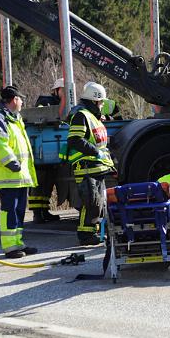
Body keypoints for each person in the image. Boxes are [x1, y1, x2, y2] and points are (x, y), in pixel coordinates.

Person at [0, 85, 38, 259]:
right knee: (10, 211)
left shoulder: (14, 118)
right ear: (14, 100)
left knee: (19, 211)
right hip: (9, 174)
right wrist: (11, 162)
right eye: (20, 99)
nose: (22, 102)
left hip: (19, 176)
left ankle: (18, 243)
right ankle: (9, 247)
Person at [62, 81, 116, 246]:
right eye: (100, 102)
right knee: (91, 201)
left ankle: (93, 232)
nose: (101, 105)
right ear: (93, 101)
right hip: (85, 166)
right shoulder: (81, 116)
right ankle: (85, 235)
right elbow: (75, 140)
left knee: (98, 202)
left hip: (97, 167)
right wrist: (95, 152)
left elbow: (101, 145)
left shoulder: (94, 117)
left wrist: (110, 165)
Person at [28, 78, 64, 224]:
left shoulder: (67, 104)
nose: (64, 92)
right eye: (62, 89)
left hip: (52, 149)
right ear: (55, 90)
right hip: (41, 148)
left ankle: (44, 210)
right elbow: (41, 114)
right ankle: (37, 213)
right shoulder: (45, 100)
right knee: (39, 182)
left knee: (48, 182)